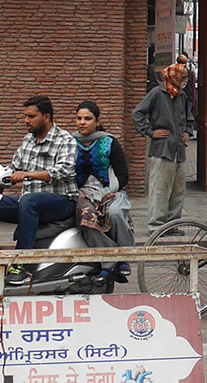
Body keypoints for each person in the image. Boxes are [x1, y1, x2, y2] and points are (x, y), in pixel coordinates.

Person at [0, 96, 77, 282]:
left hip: (61, 201)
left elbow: (63, 170)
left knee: (30, 200)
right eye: (25, 116)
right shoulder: (28, 140)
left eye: (31, 116)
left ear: (46, 117)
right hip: (29, 201)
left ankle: (22, 264)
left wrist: (27, 174)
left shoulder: (65, 139)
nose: (26, 121)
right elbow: (13, 168)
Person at [132, 63, 193, 236]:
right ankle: (156, 226)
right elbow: (137, 114)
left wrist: (187, 132)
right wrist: (150, 132)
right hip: (162, 149)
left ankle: (171, 224)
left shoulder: (181, 95)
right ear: (174, 77)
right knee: (160, 189)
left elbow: (189, 119)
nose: (185, 81)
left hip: (178, 150)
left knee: (177, 190)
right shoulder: (156, 94)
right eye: (182, 78)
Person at [73, 101, 134, 277]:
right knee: (86, 215)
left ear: (97, 121)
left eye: (87, 119)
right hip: (82, 193)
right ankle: (109, 257)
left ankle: (124, 256)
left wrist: (110, 190)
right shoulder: (69, 142)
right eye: (78, 119)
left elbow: (123, 174)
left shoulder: (109, 142)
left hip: (110, 190)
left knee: (115, 212)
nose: (82, 122)